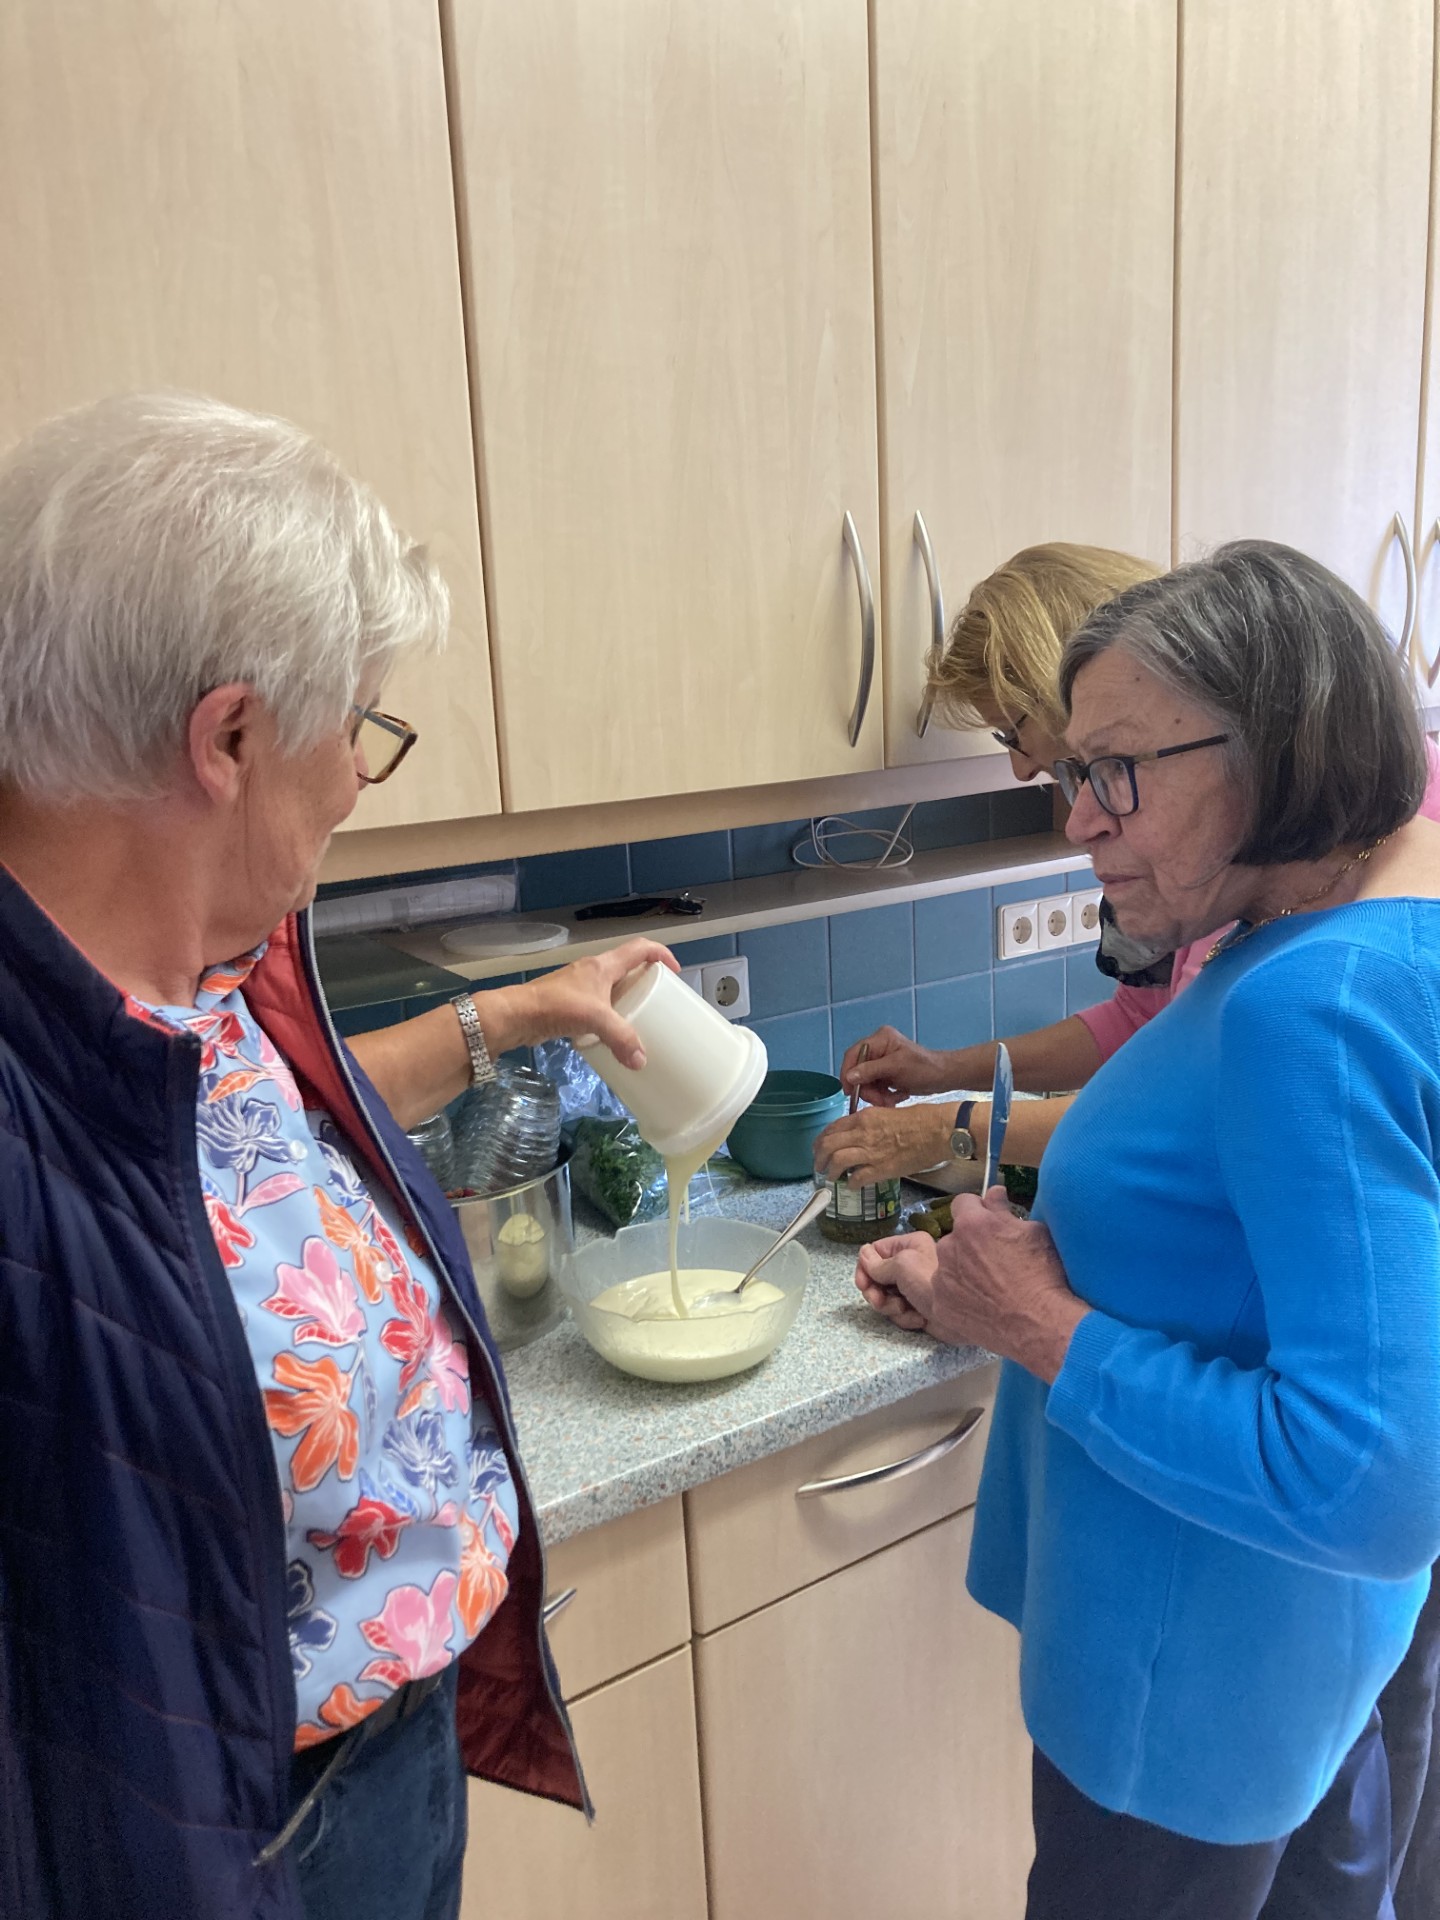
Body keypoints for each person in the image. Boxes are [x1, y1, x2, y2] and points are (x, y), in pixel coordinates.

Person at [0, 392, 677, 1920]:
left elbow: (245, 1154)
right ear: (230, 737)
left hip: (383, 1743)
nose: (367, 778)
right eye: (362, 723)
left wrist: (519, 1010)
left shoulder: (203, 968)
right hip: (233, 1829)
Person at [854, 540, 1440, 1918]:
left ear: (1277, 749)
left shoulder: (1312, 1006)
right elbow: (1247, 1271)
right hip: (1286, 1666)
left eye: (1115, 770)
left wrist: (1040, 1326)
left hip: (1189, 1699)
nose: (1077, 819)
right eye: (1073, 772)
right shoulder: (1333, 943)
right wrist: (978, 1292)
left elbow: (1373, 1481)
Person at [815, 541, 1440, 1185]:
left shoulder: (1323, 966)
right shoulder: (1212, 874)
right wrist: (946, 1071)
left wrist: (952, 1128)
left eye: (1013, 731)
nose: (1021, 767)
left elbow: (1200, 1118)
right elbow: (1144, 1028)